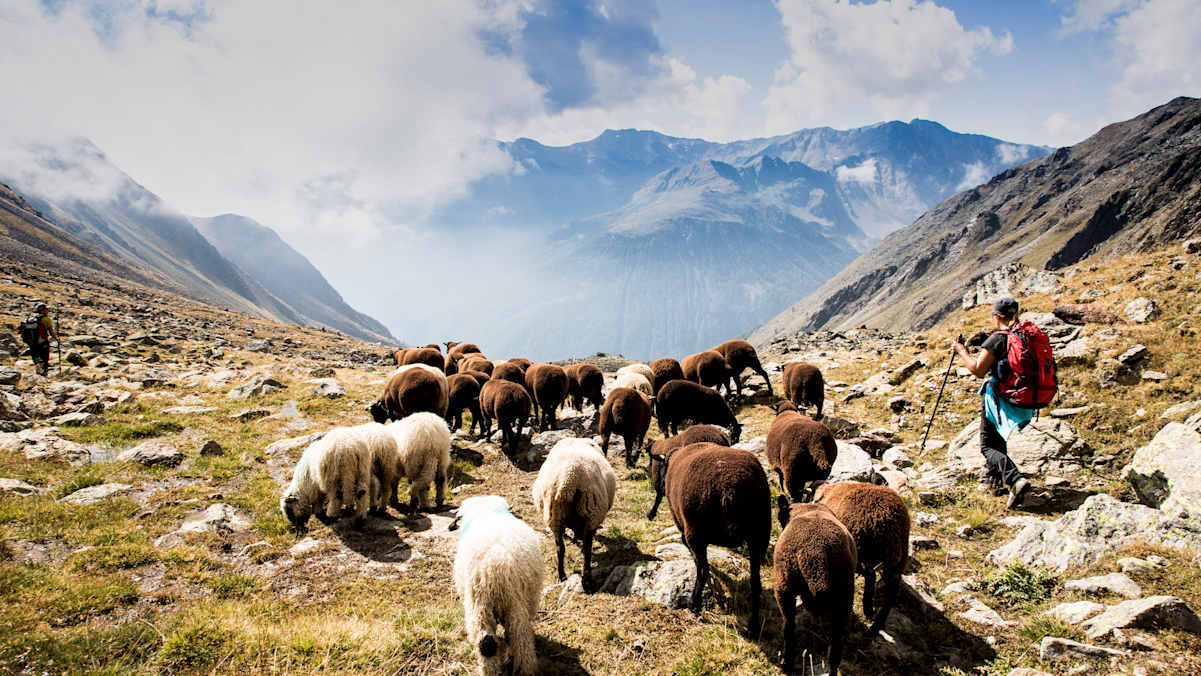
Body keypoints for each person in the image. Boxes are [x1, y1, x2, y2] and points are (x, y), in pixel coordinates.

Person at [953, 297, 1032, 509]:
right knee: (998, 440)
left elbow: (978, 370)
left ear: (997, 316)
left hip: (999, 397)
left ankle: (1015, 479)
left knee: (987, 446)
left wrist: (961, 351)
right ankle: (994, 482)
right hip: (1020, 394)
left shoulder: (998, 339)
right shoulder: (1024, 335)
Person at [28, 302, 59, 376]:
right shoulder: (46, 319)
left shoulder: (31, 319)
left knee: (36, 358)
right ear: (42, 310)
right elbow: (51, 332)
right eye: (46, 309)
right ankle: (44, 374)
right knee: (44, 358)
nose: (47, 310)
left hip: (32, 343)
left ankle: (38, 372)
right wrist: (57, 339)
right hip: (42, 342)